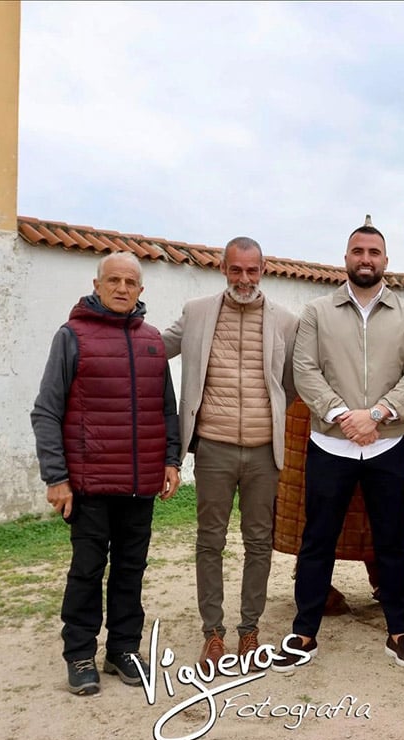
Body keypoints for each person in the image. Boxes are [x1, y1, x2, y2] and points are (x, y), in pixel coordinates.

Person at [273, 225, 404, 673]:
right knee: (317, 540)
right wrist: (344, 415)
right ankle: (304, 632)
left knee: (393, 542)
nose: (366, 258)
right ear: (346, 258)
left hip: (389, 443)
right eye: (358, 251)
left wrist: (376, 414)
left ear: (386, 260)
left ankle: (398, 632)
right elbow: (305, 370)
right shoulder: (317, 313)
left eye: (374, 252)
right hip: (330, 443)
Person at [31, 252, 181, 696]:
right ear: (97, 286)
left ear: (140, 290)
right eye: (113, 280)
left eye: (130, 282)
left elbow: (166, 410)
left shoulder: (152, 341)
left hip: (140, 484)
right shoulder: (71, 336)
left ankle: (123, 649)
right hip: (89, 484)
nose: (121, 288)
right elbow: (46, 411)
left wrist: (171, 460)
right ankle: (80, 653)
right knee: (87, 570)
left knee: (131, 569)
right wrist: (56, 477)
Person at [162, 236, 299, 672]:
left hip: (263, 452)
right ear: (223, 269)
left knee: (259, 542)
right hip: (213, 448)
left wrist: (269, 416)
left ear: (263, 270)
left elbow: (293, 382)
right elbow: (155, 349)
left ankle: (250, 631)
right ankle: (213, 634)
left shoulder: (286, 322)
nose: (244, 279)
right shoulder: (197, 312)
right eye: (236, 269)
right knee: (210, 541)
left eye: (251, 270)